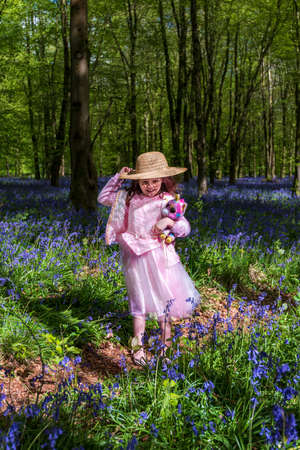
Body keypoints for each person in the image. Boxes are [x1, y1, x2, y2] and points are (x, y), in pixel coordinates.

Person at [98, 152, 200, 365]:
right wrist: (119, 178)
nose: (151, 185)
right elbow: (103, 197)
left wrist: (169, 223)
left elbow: (185, 227)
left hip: (160, 258)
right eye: (145, 182)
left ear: (163, 180)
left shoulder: (168, 202)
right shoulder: (129, 198)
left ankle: (165, 350)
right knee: (139, 304)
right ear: (138, 182)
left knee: (165, 304)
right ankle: (138, 348)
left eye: (155, 181)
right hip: (136, 257)